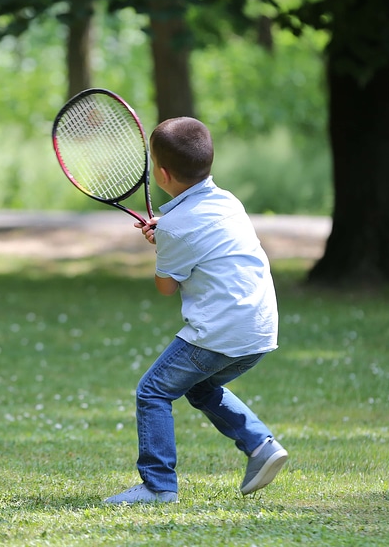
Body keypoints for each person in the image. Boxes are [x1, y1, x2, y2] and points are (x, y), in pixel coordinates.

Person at [104, 116, 287, 505]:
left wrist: (163, 242)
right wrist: (167, 235)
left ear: (162, 173)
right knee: (201, 387)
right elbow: (196, 239)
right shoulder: (227, 202)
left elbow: (166, 287)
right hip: (259, 329)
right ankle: (260, 445)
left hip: (219, 331)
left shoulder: (174, 227)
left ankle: (158, 486)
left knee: (152, 391)